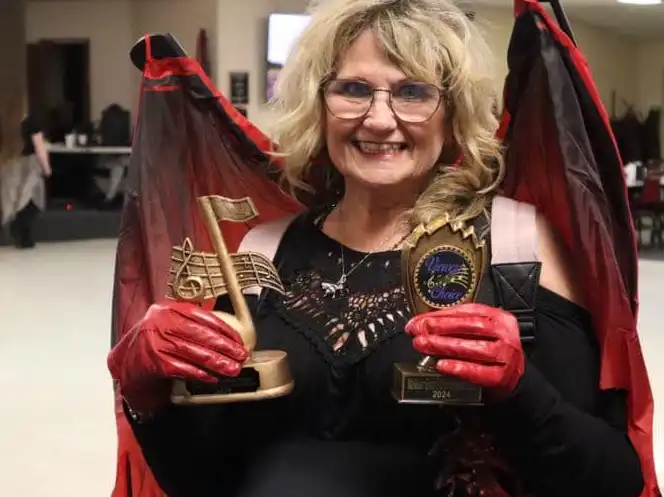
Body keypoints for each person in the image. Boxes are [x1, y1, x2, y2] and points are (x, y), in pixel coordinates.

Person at [108, 0, 654, 496]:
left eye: (413, 91)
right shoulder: (262, 254)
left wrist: (520, 391)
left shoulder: (518, 246)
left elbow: (612, 479)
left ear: (453, 112)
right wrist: (147, 395)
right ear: (318, 106)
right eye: (353, 89)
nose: (378, 118)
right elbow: (203, 477)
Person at [0, 94, 51, 248]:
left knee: (11, 199)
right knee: (31, 198)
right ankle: (24, 235)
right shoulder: (31, 122)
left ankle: (13, 231)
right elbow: (40, 147)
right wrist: (47, 168)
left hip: (8, 163)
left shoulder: (5, 123)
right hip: (29, 165)